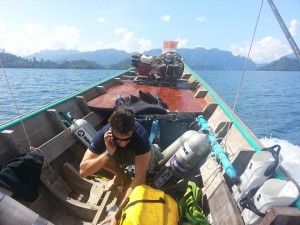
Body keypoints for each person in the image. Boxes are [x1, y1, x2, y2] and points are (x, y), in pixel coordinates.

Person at [79, 109, 151, 224]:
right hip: (116, 153)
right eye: (117, 138)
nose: (122, 143)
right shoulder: (105, 134)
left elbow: (139, 179)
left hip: (138, 155)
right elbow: (83, 171)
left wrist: (117, 214)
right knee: (101, 158)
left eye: (126, 138)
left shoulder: (140, 136)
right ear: (111, 131)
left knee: (147, 171)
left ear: (132, 132)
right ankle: (119, 175)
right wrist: (108, 153)